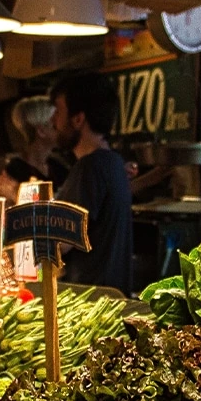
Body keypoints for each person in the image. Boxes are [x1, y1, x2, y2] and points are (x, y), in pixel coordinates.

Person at [48, 72, 134, 294]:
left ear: (78, 119)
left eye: (58, 111)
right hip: (108, 301)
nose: (53, 121)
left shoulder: (90, 168)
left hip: (90, 304)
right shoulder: (111, 162)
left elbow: (60, 243)